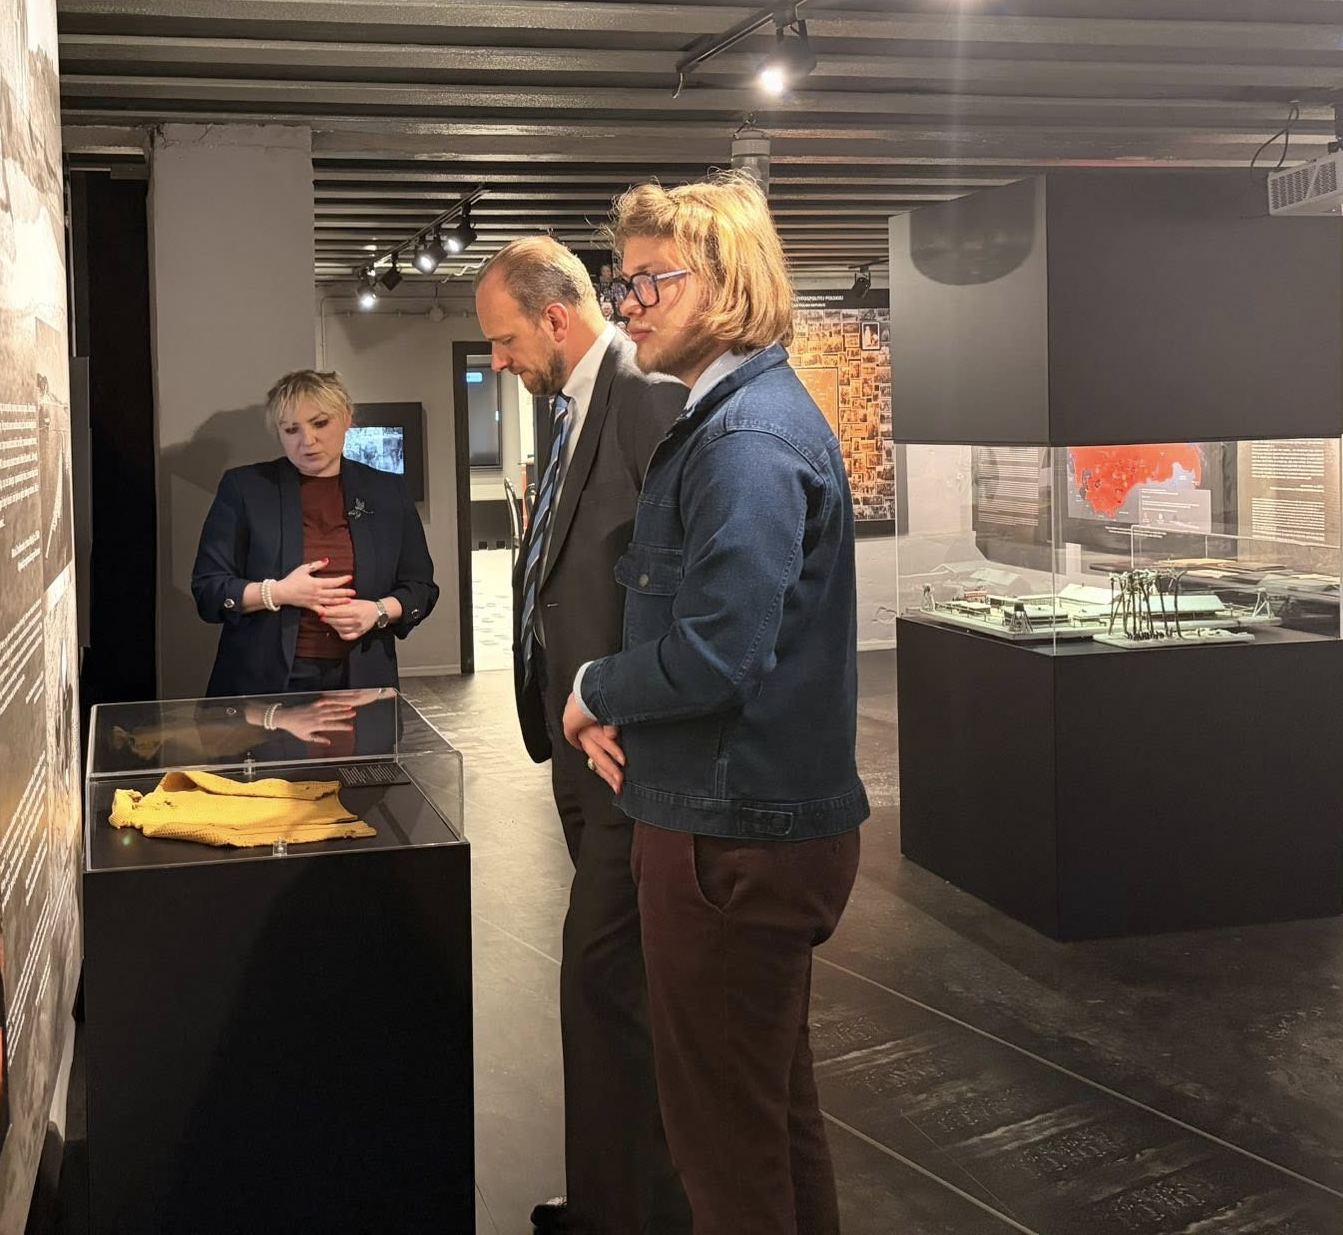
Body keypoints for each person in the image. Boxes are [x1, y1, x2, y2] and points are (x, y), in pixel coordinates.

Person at [562, 172, 869, 1235]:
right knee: (766, 1118)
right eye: (623, 282)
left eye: (651, 280)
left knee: (723, 1152)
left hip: (727, 838)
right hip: (741, 822)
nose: (627, 304)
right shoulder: (740, 423)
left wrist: (593, 689)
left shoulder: (743, 442)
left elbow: (715, 655)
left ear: (728, 282)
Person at [474, 238, 687, 1235]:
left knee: (605, 979)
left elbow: (681, 575)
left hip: (625, 748)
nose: (497, 361)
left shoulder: (645, 399)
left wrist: (629, 700)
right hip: (577, 740)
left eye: (503, 340)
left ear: (555, 319)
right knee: (615, 986)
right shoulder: (570, 406)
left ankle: (629, 1208)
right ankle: (616, 1195)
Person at [192, 370, 437, 698]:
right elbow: (208, 589)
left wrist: (377, 611)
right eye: (291, 429)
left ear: (346, 418)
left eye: (320, 423)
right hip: (262, 684)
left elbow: (420, 588)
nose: (307, 441)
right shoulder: (245, 488)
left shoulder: (388, 491)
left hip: (362, 682)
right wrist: (278, 593)